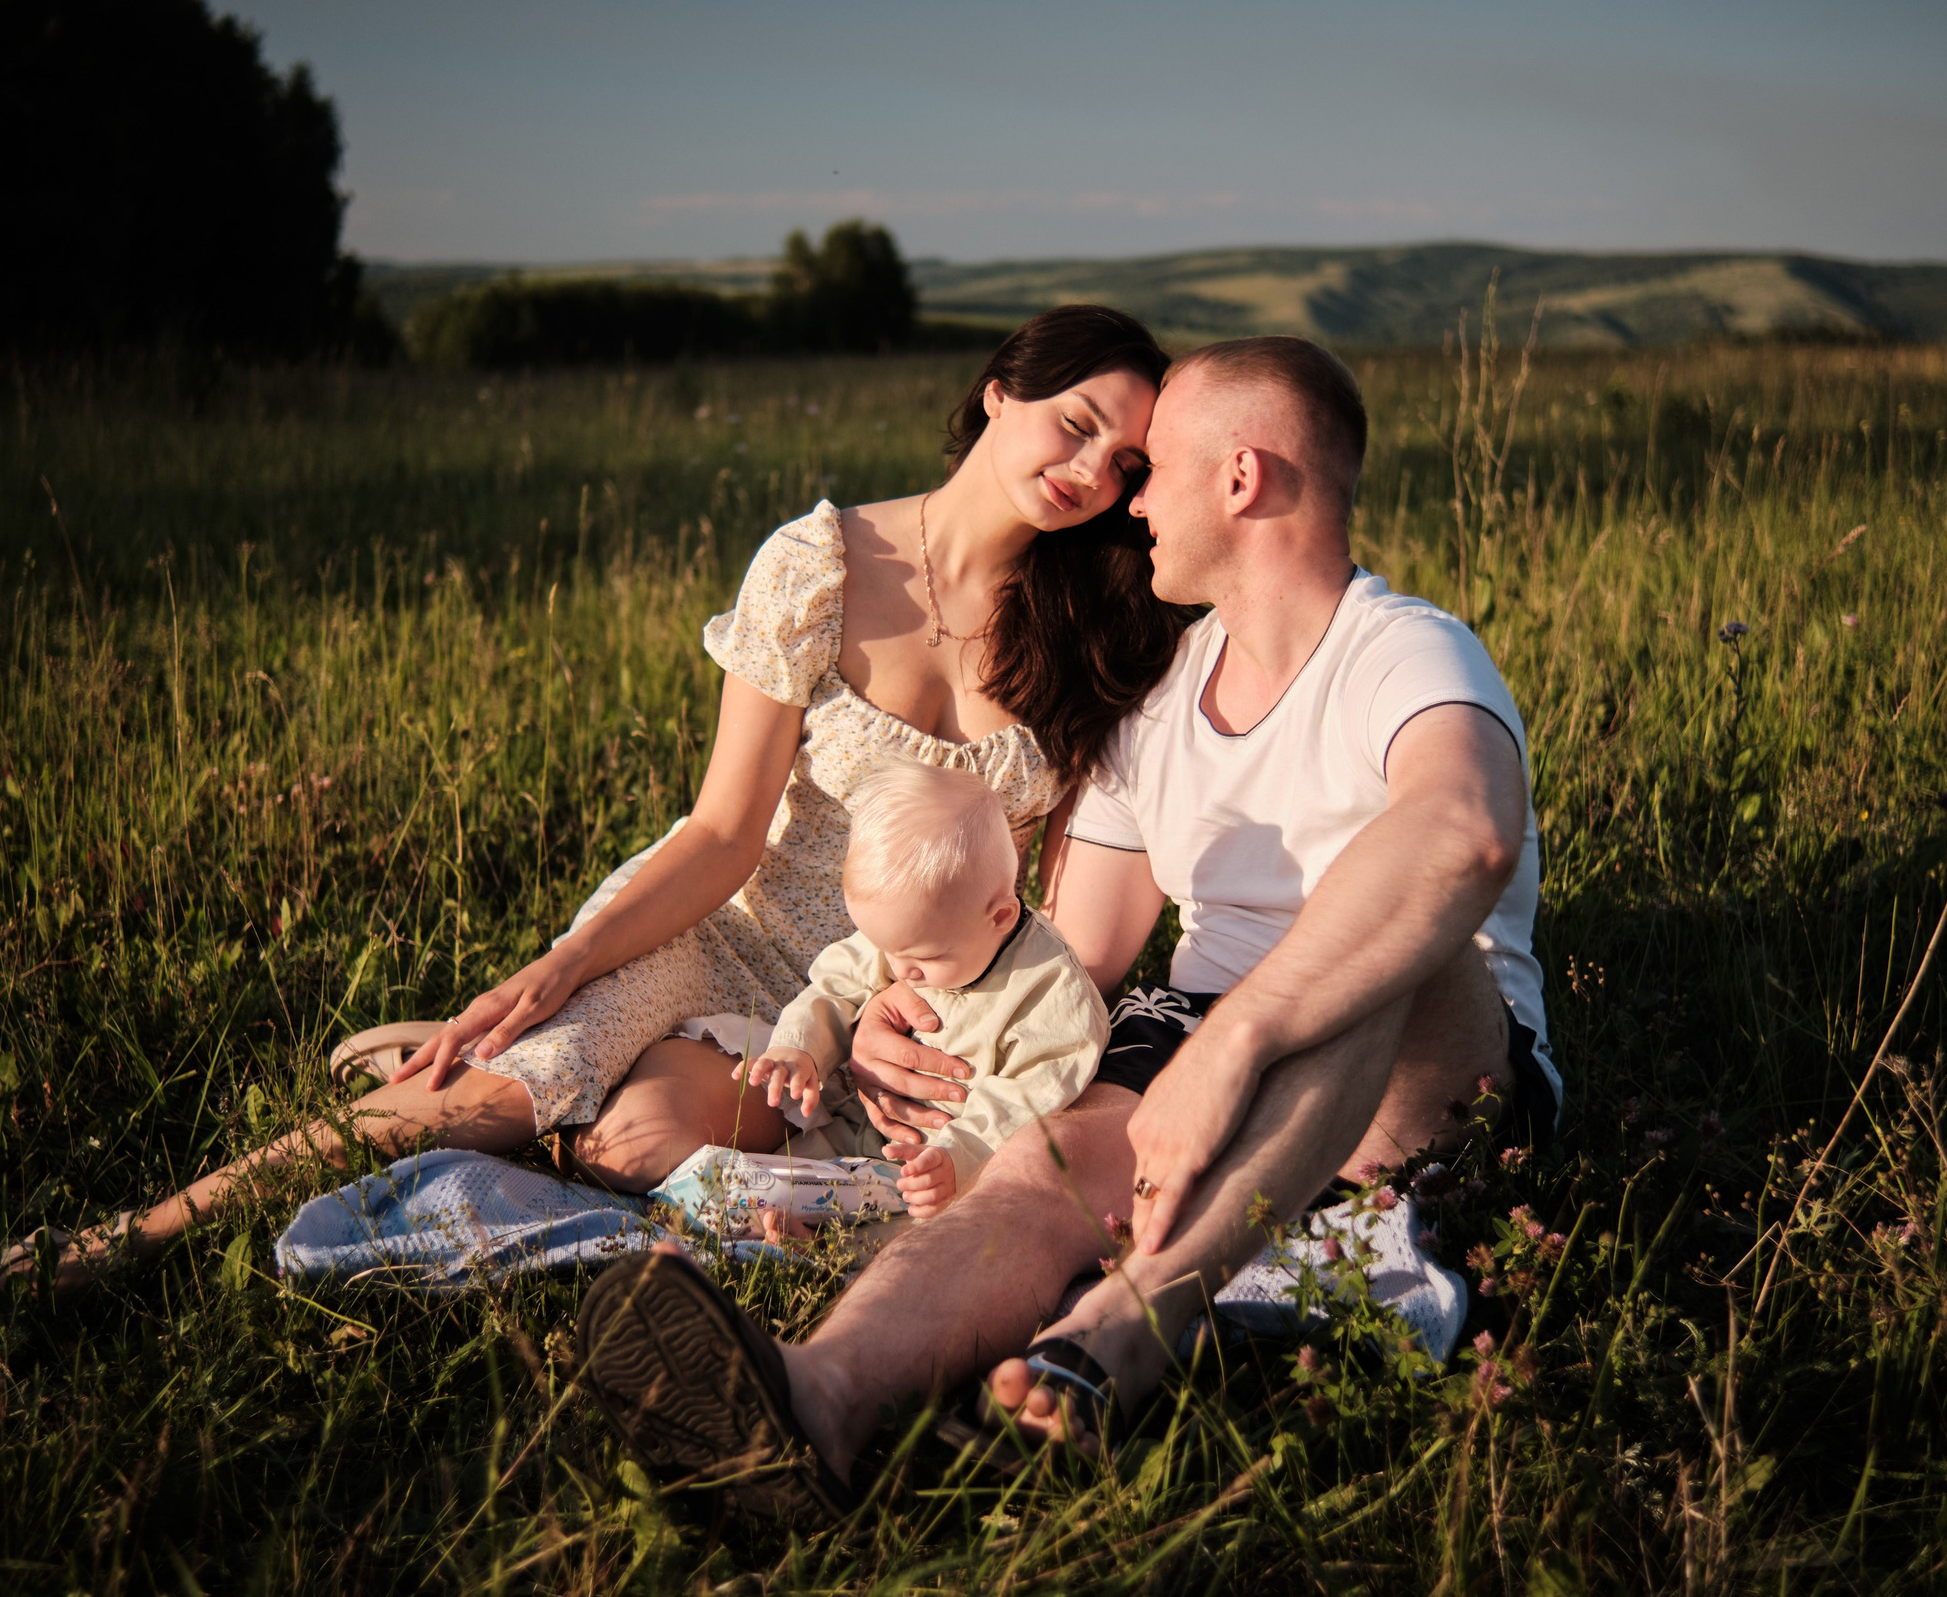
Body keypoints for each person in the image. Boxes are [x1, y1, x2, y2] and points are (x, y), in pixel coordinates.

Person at [0, 306, 1191, 1295]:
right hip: (723, 930)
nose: (1090, 470)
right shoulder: (823, 562)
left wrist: (927, 1011)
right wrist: (555, 970)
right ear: (1000, 389)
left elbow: (1056, 897)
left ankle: (584, 1118)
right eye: (1075, 421)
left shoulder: (1098, 631)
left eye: (1124, 459)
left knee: (642, 1145)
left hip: (902, 995)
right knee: (502, 1088)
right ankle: (108, 1241)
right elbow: (721, 833)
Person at [574, 335, 1560, 1526]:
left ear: (1239, 477)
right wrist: (908, 1007)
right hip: (1190, 1039)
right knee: (1036, 1171)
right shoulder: (1163, 700)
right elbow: (1072, 956)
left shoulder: (1403, 650)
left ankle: (1128, 1327)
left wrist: (1239, 1040)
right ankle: (816, 1398)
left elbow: (1464, 835)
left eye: (1155, 468)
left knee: (1381, 953)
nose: (1129, 502)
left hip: (1422, 1060)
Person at [747, 758, 1110, 1220]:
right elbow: (836, 988)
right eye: (886, 949)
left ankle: (833, 1245)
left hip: (952, 1161)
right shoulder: (915, 938)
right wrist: (798, 1048)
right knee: (778, 1176)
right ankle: (772, 1222)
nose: (901, 970)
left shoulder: (1049, 989)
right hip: (863, 1127)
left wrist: (960, 1156)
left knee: (926, 1224)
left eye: (924, 958)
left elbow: (1029, 1099)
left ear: (1000, 917)